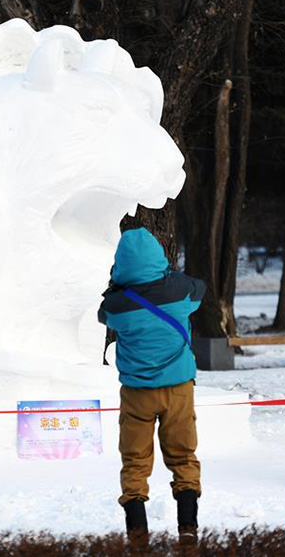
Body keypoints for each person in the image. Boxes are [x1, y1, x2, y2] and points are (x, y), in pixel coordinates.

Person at [97, 228, 205, 546]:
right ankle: (187, 527)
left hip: (136, 393)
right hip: (179, 388)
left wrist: (117, 284)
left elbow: (104, 315)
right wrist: (168, 275)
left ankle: (137, 532)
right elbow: (201, 291)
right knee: (184, 456)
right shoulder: (182, 291)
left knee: (135, 461)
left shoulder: (116, 305)